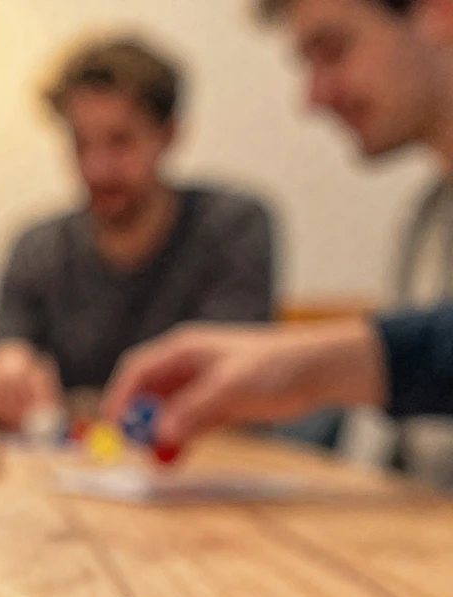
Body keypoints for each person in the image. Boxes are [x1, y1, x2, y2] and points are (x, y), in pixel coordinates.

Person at [103, 0, 453, 450]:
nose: (314, 98)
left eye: (334, 50)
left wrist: (316, 365)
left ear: (440, 12)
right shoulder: (427, 222)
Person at [0, 36, 276, 431]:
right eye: (81, 144)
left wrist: (71, 408)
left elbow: (226, 389)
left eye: (120, 141)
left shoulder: (232, 228)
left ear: (170, 135)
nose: (97, 168)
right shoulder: (37, 247)